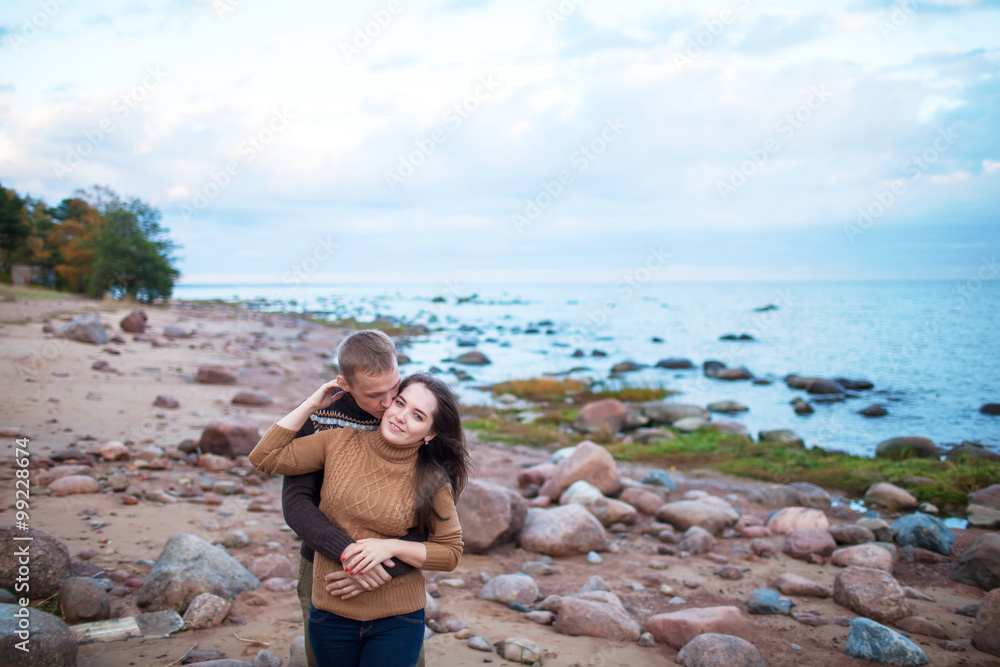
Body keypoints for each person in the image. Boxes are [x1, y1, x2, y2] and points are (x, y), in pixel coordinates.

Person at [249, 372, 469, 667]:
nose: (401, 417)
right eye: (400, 403)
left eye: (417, 416)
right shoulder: (338, 442)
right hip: (330, 611)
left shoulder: (431, 479)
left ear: (430, 433)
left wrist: (390, 548)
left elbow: (450, 552)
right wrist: (312, 403)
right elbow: (264, 457)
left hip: (398, 618)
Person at [281, 330, 418, 667]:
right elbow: (296, 502)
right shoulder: (319, 419)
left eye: (394, 387)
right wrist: (348, 556)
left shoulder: (416, 412)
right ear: (345, 384)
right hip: (326, 570)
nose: (389, 405)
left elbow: (435, 517)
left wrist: (386, 568)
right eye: (375, 395)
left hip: (396, 577)